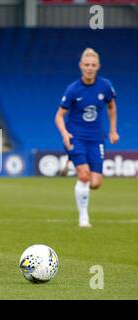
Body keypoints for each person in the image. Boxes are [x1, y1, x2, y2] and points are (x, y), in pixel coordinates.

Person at [55, 48, 119, 228]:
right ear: (80, 66)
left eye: (93, 65)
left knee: (95, 183)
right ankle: (84, 217)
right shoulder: (73, 89)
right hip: (76, 136)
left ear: (98, 66)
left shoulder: (105, 86)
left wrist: (113, 131)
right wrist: (65, 133)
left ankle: (70, 167)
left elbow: (112, 107)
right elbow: (59, 116)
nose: (89, 68)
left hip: (97, 137)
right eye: (86, 65)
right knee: (84, 175)